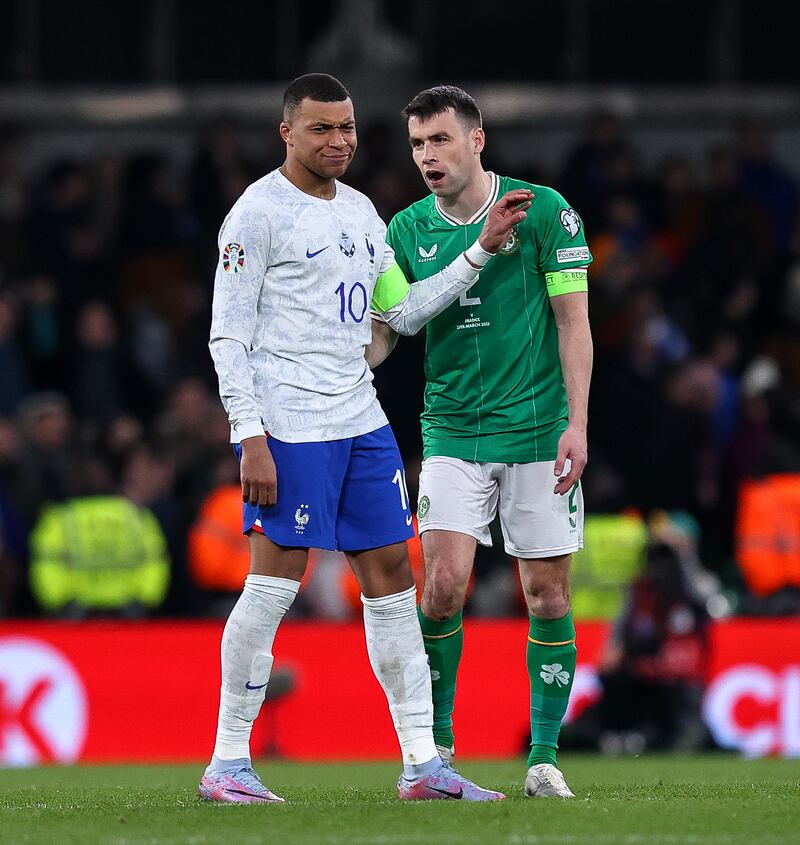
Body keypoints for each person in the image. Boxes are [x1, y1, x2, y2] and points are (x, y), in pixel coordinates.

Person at [200, 73, 530, 804]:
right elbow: (228, 332)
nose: (340, 140)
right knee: (272, 584)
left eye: (346, 127)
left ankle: (422, 764)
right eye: (321, 128)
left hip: (362, 422)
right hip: (288, 425)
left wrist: (477, 250)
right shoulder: (256, 213)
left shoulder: (361, 211)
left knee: (392, 580)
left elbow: (403, 312)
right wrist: (248, 434)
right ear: (287, 132)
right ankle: (226, 761)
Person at [376, 86, 593, 798]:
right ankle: (434, 752)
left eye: (439, 140)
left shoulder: (543, 210)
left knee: (548, 593)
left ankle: (544, 756)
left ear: (477, 140)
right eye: (416, 145)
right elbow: (388, 329)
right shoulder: (404, 230)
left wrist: (578, 421)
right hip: (451, 430)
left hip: (537, 429)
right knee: (440, 586)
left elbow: (572, 321)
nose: (427, 157)